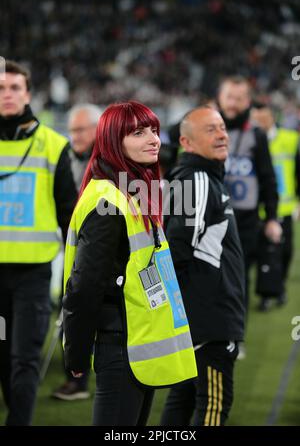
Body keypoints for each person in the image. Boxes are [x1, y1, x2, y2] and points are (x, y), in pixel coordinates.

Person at [62, 100, 197, 426]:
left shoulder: (130, 190)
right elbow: (84, 286)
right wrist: (77, 352)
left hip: (134, 345)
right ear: (112, 141)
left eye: (153, 130)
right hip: (120, 347)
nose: (153, 139)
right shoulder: (107, 200)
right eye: (138, 132)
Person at [0, 60, 77, 425]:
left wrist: (78, 269)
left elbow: (69, 215)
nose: (7, 94)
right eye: (1, 88)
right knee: (4, 358)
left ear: (28, 94)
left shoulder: (53, 145)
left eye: (15, 87)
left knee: (24, 359)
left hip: (32, 277)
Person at [160, 105, 245, 426]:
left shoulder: (201, 177)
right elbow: (175, 249)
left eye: (222, 127)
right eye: (211, 129)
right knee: (213, 404)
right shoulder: (197, 179)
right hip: (209, 321)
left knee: (182, 400)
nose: (223, 134)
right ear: (187, 142)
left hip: (200, 318)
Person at [217, 76, 281, 313]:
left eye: (239, 98)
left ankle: (235, 334)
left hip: (244, 219)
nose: (233, 104)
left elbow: (268, 178)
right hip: (210, 215)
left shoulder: (256, 134)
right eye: (229, 97)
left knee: (238, 274)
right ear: (219, 98)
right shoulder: (206, 128)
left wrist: (272, 217)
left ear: (249, 102)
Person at [52, 103, 102, 401]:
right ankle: (76, 378)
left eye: (81, 129)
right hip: (74, 248)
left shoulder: (111, 163)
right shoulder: (67, 158)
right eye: (71, 130)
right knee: (71, 308)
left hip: (104, 252)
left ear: (98, 129)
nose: (75, 135)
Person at [251, 102, 300, 309]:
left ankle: (278, 287)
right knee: (266, 253)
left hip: (286, 206)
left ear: (272, 117)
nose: (259, 121)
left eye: (263, 117)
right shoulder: (251, 141)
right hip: (260, 208)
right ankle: (266, 295)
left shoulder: (290, 139)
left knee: (286, 251)